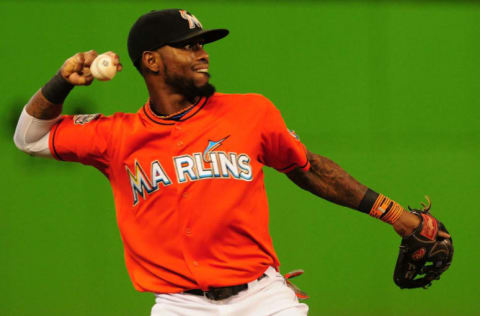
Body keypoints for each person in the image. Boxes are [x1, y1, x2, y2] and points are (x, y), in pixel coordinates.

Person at [13, 9, 449, 316]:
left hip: (263, 300)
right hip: (178, 305)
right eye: (187, 46)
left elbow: (309, 167)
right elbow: (28, 138)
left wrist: (397, 216)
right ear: (151, 62)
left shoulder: (250, 112)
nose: (201, 52)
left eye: (202, 43)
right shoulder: (116, 135)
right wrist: (59, 83)